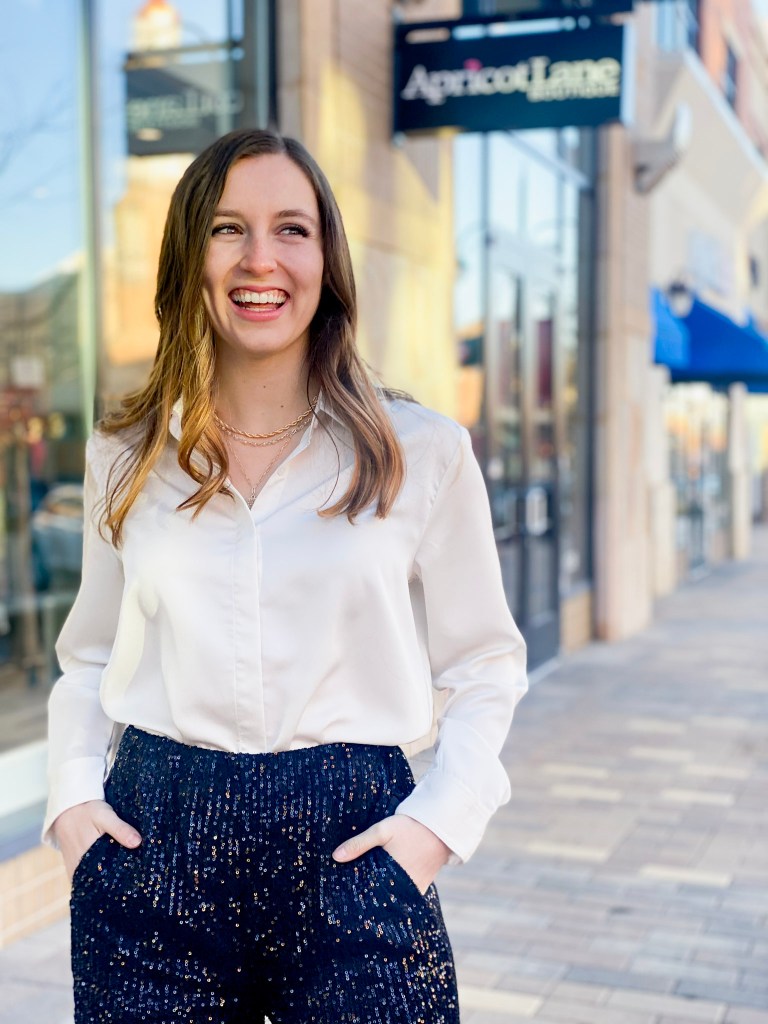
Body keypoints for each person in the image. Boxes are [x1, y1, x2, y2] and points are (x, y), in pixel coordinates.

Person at [44, 127, 528, 1024]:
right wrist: (73, 801)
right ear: (190, 255)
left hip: (355, 846)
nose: (259, 258)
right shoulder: (125, 455)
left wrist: (437, 826)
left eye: (291, 229)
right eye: (228, 228)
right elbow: (89, 655)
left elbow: (485, 661)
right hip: (155, 843)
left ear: (327, 259)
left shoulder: (418, 451)